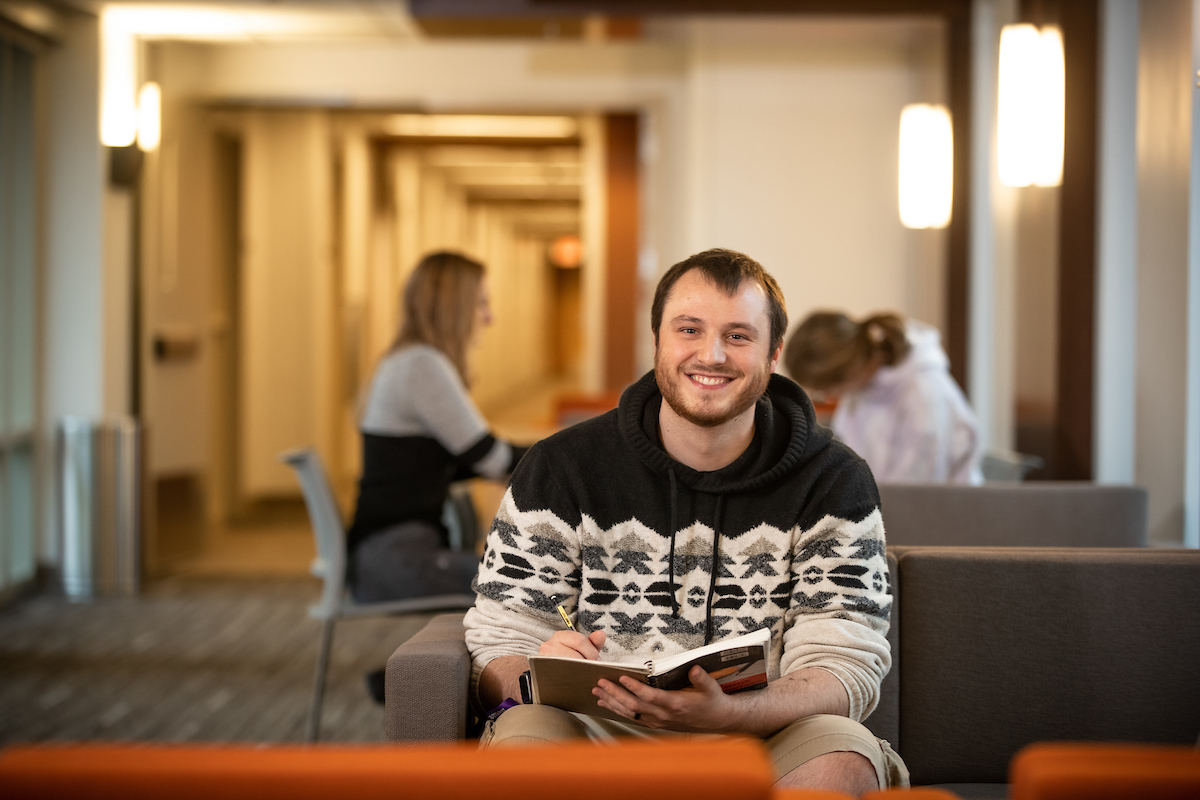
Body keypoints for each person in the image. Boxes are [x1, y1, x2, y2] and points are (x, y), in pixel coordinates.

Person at [463, 249, 907, 795]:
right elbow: (500, 634)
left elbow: (843, 660)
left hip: (768, 730)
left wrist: (733, 715)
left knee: (841, 755)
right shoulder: (562, 466)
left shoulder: (834, 479)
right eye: (689, 329)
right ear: (657, 341)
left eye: (739, 336)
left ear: (773, 355)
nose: (712, 354)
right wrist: (534, 667)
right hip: (593, 724)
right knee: (520, 743)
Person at [347, 251, 527, 605]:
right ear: (453, 309)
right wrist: (576, 456)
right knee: (531, 586)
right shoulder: (422, 365)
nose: (489, 318)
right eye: (481, 304)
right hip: (396, 558)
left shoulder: (408, 360)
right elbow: (492, 459)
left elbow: (466, 463)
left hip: (389, 552)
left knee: (531, 577)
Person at [784, 312, 982, 485]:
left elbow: (913, 492)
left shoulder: (923, 393)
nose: (828, 396)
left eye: (824, 389)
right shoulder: (860, 390)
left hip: (940, 517)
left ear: (848, 371)